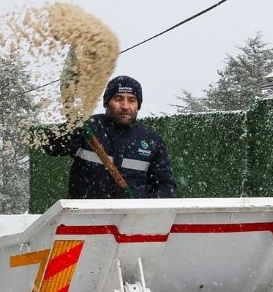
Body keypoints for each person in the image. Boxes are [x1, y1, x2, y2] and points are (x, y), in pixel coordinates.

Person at [44, 75, 176, 199]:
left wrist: (147, 210)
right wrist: (71, 127)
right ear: (106, 103)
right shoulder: (88, 127)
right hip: (86, 213)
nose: (125, 106)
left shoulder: (150, 139)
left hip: (131, 214)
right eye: (118, 99)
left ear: (138, 105)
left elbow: (165, 185)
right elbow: (52, 147)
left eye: (132, 100)